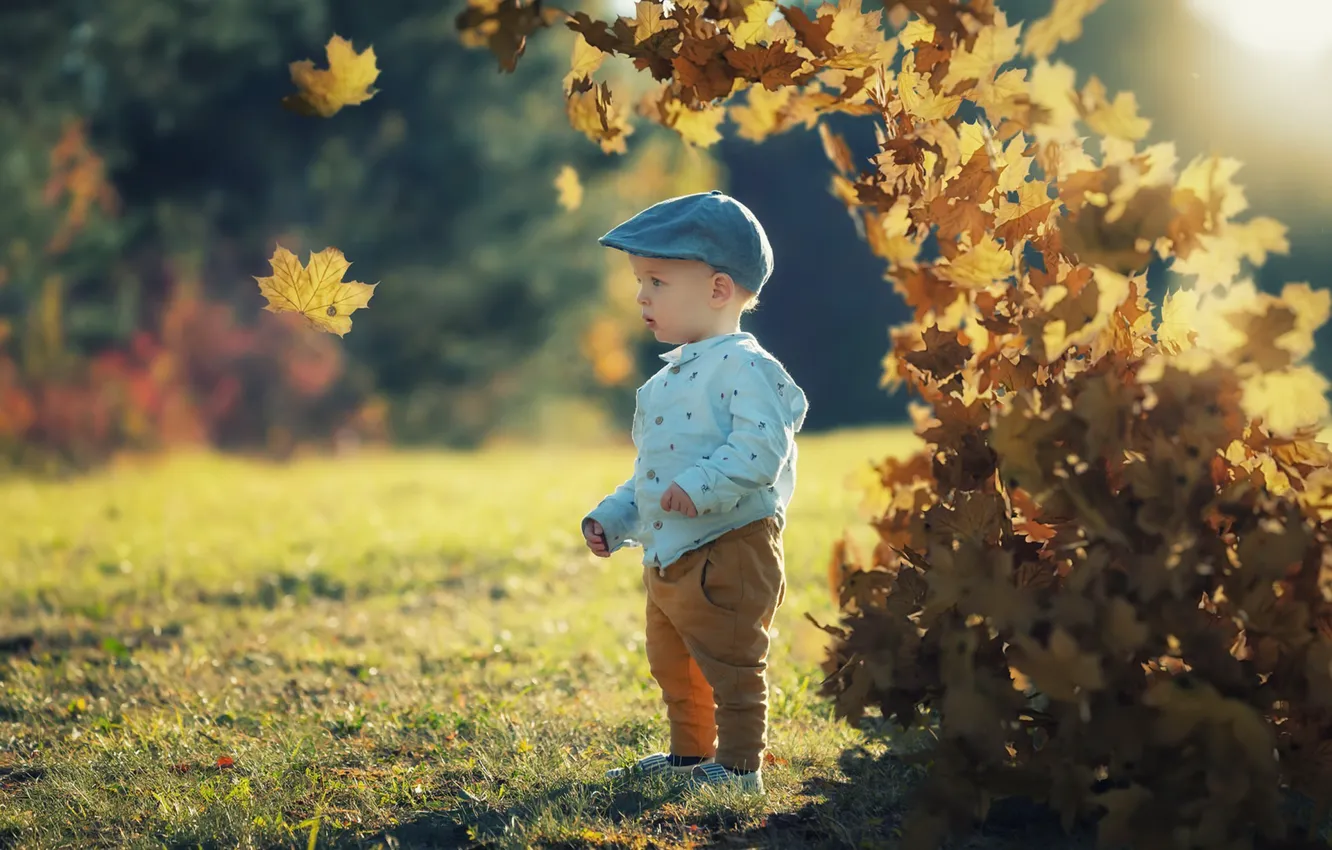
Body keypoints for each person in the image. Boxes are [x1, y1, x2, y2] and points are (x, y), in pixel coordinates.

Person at [580, 190, 809, 797]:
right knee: (675, 664)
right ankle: (689, 756)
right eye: (640, 281)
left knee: (732, 664)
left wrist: (700, 486)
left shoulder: (748, 368)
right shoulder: (666, 380)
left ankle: (738, 769)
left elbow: (762, 451)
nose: (640, 295)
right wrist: (615, 515)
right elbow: (654, 472)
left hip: (729, 547)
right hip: (669, 556)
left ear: (717, 289)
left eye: (656, 280)